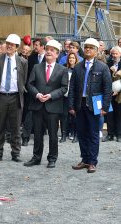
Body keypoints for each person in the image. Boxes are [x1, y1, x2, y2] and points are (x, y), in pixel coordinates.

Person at [69, 38, 112, 173]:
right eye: (86, 47)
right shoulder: (78, 67)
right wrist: (71, 105)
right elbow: (72, 88)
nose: (88, 49)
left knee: (93, 134)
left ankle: (92, 161)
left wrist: (104, 107)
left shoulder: (102, 67)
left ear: (96, 50)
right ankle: (85, 159)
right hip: (80, 104)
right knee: (82, 133)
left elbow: (107, 89)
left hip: (95, 104)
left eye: (91, 47)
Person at [24, 40, 68, 168]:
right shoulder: (37, 67)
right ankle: (36, 157)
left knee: (53, 135)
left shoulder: (62, 69)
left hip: (53, 107)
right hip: (38, 105)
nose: (48, 52)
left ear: (57, 54)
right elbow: (30, 84)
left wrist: (51, 96)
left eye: (52, 50)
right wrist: (37, 94)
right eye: (47, 49)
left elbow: (64, 88)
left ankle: (52, 158)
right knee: (37, 134)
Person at [0, 34, 28, 162]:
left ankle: (15, 153)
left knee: (16, 127)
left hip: (15, 97)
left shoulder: (23, 62)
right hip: (0, 97)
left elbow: (24, 80)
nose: (9, 46)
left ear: (17, 47)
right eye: (8, 43)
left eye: (12, 44)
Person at [21, 38, 47, 146]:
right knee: (29, 114)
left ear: (42, 46)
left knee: (42, 116)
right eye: (34, 45)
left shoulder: (49, 58)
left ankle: (39, 136)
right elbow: (27, 74)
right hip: (32, 91)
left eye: (36, 45)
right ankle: (25, 137)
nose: (35, 47)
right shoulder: (31, 58)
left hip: (45, 92)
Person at [59, 52, 80, 143]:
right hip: (64, 95)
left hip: (75, 96)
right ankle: (64, 134)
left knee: (75, 116)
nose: (71, 59)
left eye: (73, 58)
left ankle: (76, 135)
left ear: (76, 59)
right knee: (64, 116)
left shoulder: (79, 69)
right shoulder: (64, 68)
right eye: (70, 58)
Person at [102, 46, 121, 142]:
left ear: (120, 54)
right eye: (113, 54)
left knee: (119, 114)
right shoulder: (108, 63)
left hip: (119, 95)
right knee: (109, 114)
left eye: (116, 54)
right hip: (109, 93)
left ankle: (119, 135)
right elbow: (105, 77)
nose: (114, 55)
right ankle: (110, 134)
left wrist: (116, 72)